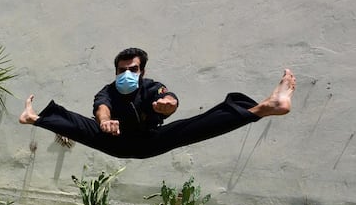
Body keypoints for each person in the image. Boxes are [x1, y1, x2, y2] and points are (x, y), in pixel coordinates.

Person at [18, 47, 296, 159]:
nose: (126, 74)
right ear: (115, 72)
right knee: (84, 125)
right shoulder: (108, 91)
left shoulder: (150, 87)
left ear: (142, 71)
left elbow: (169, 98)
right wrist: (104, 122)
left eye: (133, 69)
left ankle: (263, 108)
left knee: (193, 127)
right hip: (114, 140)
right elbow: (101, 107)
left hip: (149, 142)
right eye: (121, 69)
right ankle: (34, 118)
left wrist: (169, 105)